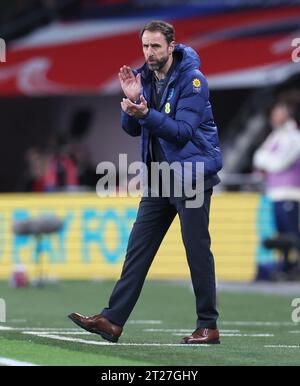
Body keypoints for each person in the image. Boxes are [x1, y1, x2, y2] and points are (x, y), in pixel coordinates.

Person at [68, 20, 222, 344]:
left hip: (191, 177)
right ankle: (112, 320)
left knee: (197, 251)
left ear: (171, 45)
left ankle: (208, 325)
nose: (149, 53)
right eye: (145, 46)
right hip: (159, 179)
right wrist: (133, 102)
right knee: (137, 250)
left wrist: (144, 113)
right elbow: (134, 129)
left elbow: (182, 132)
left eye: (155, 46)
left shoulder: (193, 81)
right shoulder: (146, 78)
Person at [253, 102, 300, 277]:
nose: (274, 117)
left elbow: (280, 163)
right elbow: (258, 157)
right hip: (275, 193)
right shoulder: (276, 136)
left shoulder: (294, 136)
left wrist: (267, 160)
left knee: (291, 233)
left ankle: (292, 266)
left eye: (278, 113)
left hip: (289, 192)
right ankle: (287, 267)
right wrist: (268, 160)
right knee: (283, 235)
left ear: (287, 115)